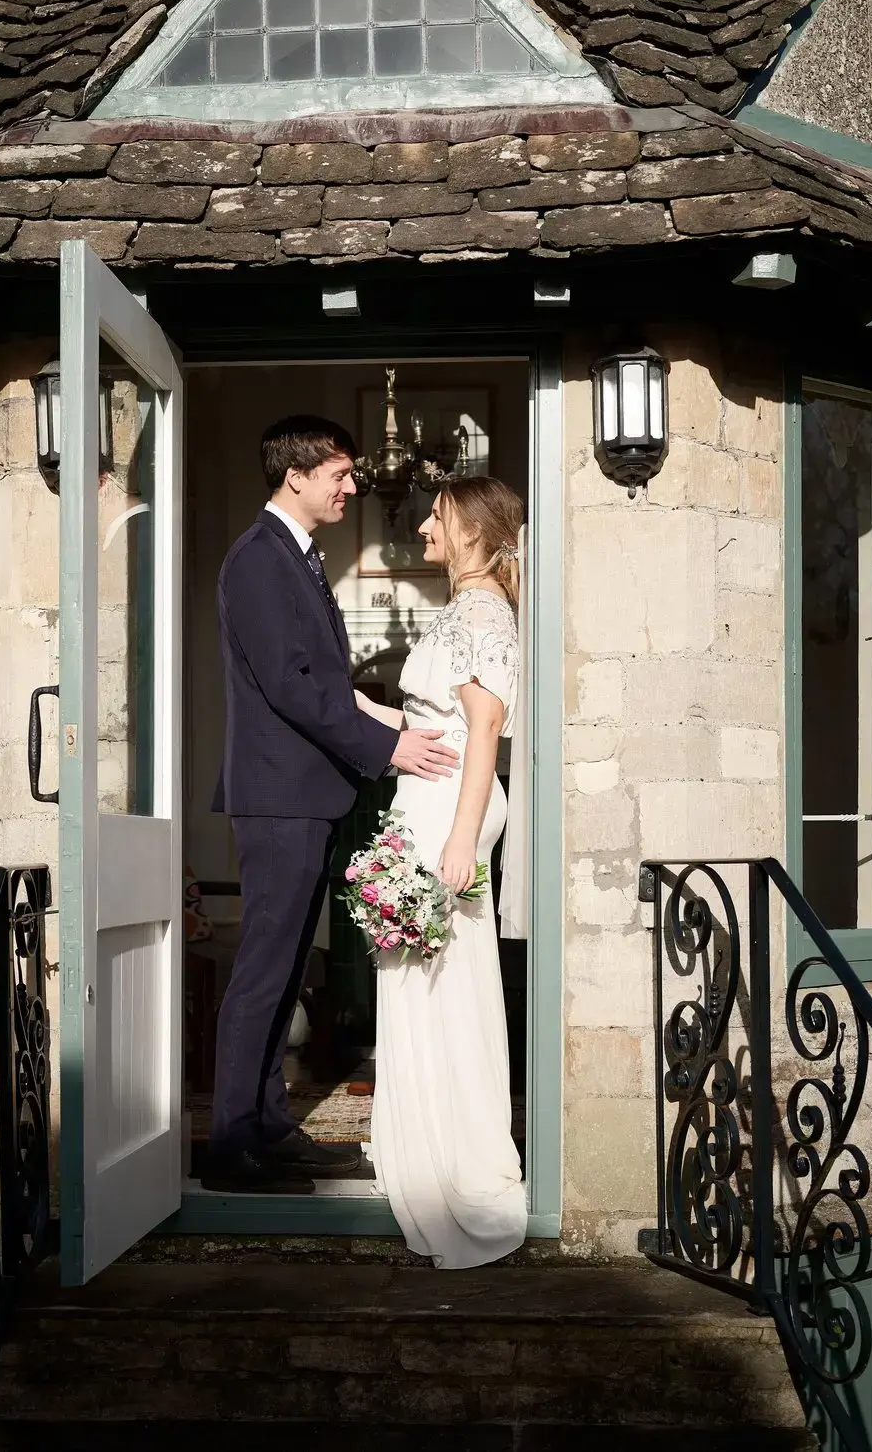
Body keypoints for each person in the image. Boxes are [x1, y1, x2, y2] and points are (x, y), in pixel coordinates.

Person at [205, 415, 460, 1195]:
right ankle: (231, 1149)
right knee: (261, 976)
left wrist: (393, 719)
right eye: (341, 475)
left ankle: (272, 1131)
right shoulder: (258, 560)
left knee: (284, 976)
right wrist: (389, 752)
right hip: (280, 800)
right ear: (297, 477)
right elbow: (291, 686)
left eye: (351, 476)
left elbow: (324, 681)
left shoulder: (297, 557)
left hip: (303, 797)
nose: (352, 488)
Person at [359, 476, 528, 1268]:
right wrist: (350, 707)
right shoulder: (468, 608)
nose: (424, 524)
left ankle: (447, 1153)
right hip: (435, 794)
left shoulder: (479, 609)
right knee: (436, 977)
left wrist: (460, 841)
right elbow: (435, 719)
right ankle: (429, 1133)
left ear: (468, 529)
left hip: (447, 809)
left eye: (437, 514)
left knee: (436, 978)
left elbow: (485, 726)